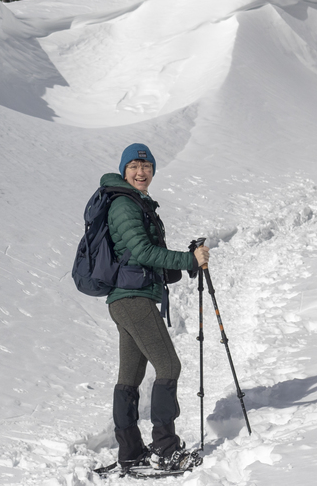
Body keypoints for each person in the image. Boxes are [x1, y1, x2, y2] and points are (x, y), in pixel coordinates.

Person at [102, 142, 209, 475]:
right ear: (124, 170)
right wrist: (188, 259)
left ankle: (131, 452)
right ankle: (165, 449)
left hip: (130, 298)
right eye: (133, 166)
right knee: (169, 367)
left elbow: (143, 259)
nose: (140, 172)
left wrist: (183, 264)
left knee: (129, 378)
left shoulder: (137, 203)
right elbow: (144, 252)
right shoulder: (123, 204)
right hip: (133, 300)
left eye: (146, 167)